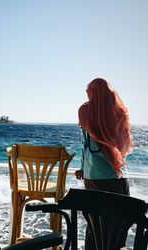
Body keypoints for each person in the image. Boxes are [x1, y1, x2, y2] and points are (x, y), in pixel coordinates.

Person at [75, 78, 134, 249]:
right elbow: (122, 148)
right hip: (120, 178)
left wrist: (82, 168)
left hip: (95, 177)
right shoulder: (119, 113)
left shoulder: (85, 111)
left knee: (96, 228)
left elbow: (84, 144)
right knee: (118, 227)